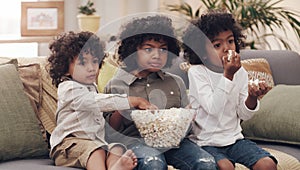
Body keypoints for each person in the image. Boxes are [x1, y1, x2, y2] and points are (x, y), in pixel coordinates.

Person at [103, 15, 217, 170]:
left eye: (163, 49)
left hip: (175, 143)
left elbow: (187, 125)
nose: (157, 55)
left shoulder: (176, 82)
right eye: (148, 49)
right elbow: (110, 132)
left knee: (206, 163)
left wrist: (189, 117)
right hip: (135, 142)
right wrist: (125, 104)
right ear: (133, 50)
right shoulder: (117, 85)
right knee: (154, 163)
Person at [182, 10, 278, 170]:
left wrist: (252, 98)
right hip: (206, 142)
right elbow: (213, 108)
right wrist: (228, 76)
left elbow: (244, 114)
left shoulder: (240, 72)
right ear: (202, 53)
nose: (227, 48)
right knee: (225, 167)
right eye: (217, 45)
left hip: (234, 140)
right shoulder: (197, 73)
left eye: (231, 41)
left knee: (267, 164)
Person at [47, 31, 155, 170]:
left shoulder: (92, 87)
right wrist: (133, 101)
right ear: (66, 69)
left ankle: (114, 168)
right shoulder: (68, 88)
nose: (91, 68)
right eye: (82, 63)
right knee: (96, 151)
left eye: (95, 61)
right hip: (69, 146)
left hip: (95, 143)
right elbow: (95, 101)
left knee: (116, 148)